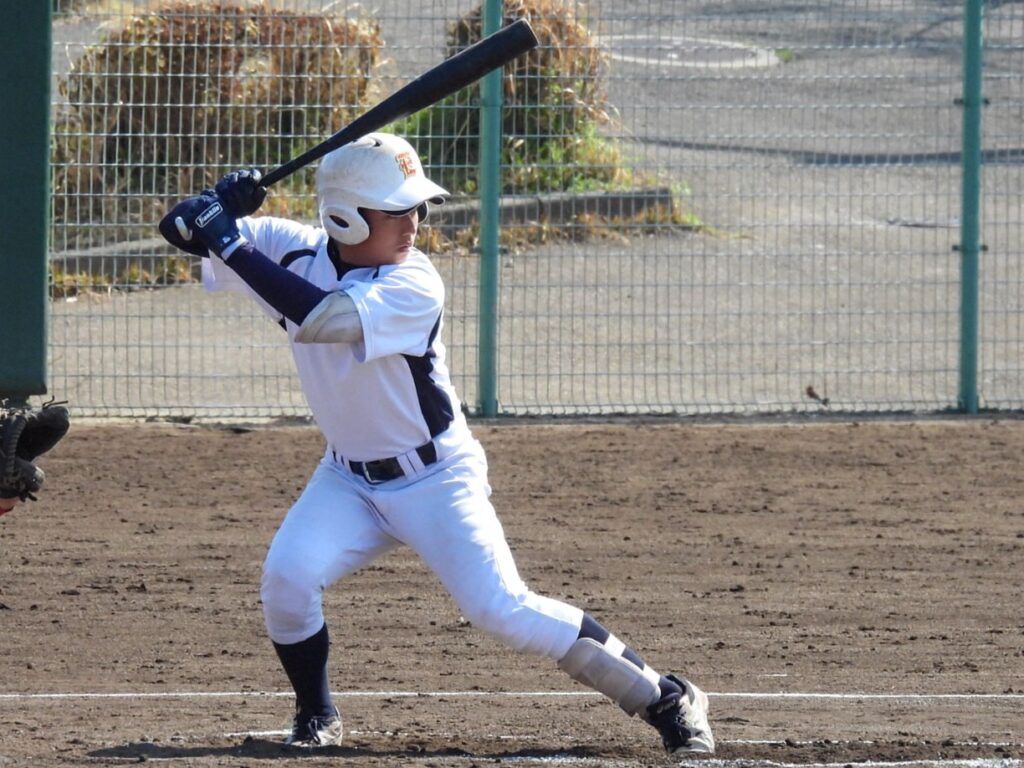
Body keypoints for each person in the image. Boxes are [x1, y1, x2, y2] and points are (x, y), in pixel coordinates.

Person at [158, 132, 714, 757]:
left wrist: (227, 236)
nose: (416, 222)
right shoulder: (289, 248)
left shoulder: (414, 282)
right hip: (347, 480)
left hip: (436, 480)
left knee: (501, 608)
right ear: (344, 217)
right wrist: (214, 205)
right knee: (286, 580)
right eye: (398, 209)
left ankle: (666, 696)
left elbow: (323, 319)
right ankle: (316, 716)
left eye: (418, 207)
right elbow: (178, 228)